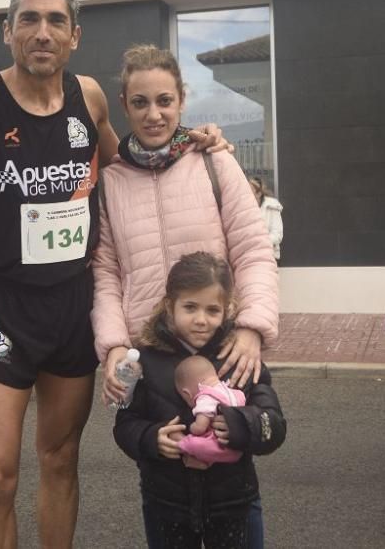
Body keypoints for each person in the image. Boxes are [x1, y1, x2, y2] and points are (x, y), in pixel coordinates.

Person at [0, 0, 226, 548]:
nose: (42, 32)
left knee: (60, 461)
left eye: (55, 20)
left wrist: (196, 141)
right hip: (3, 309)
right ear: (7, 30)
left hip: (72, 308)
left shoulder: (89, 98)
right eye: (28, 20)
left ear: (75, 35)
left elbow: (132, 164)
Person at [92, 44, 279, 545]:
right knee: (163, 478)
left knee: (232, 485)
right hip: (150, 358)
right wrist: (112, 347)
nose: (154, 114)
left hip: (219, 345)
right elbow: (107, 274)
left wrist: (252, 328)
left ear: (181, 100)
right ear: (124, 105)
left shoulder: (216, 165)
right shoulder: (109, 183)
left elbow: (254, 252)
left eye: (165, 100)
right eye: (140, 103)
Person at [114, 252, 286, 548]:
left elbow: (274, 425)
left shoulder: (239, 359)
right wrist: (150, 439)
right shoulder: (146, 361)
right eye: (190, 307)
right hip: (167, 507)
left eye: (212, 310)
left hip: (235, 505)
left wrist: (240, 424)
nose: (201, 320)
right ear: (170, 306)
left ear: (226, 309)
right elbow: (125, 424)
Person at [175, 355, 246, 464]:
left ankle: (181, 443)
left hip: (222, 447)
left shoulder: (205, 397)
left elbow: (200, 428)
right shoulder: (234, 392)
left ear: (187, 394)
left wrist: (192, 428)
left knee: (195, 444)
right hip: (240, 445)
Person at [248, 176, 283, 261]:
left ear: (259, 193)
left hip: (269, 255)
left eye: (250, 191)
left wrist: (259, 243)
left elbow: (277, 234)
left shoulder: (272, 206)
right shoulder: (244, 208)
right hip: (249, 256)